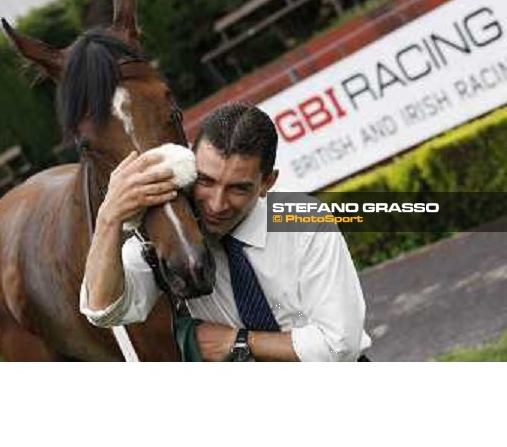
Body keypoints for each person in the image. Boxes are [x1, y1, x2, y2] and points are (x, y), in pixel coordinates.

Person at [80, 102, 371, 361]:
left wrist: (238, 342)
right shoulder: (171, 234)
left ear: (267, 183)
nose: (216, 205)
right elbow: (105, 311)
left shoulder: (303, 218)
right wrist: (109, 216)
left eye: (238, 188)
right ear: (189, 165)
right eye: (205, 181)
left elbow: (339, 345)